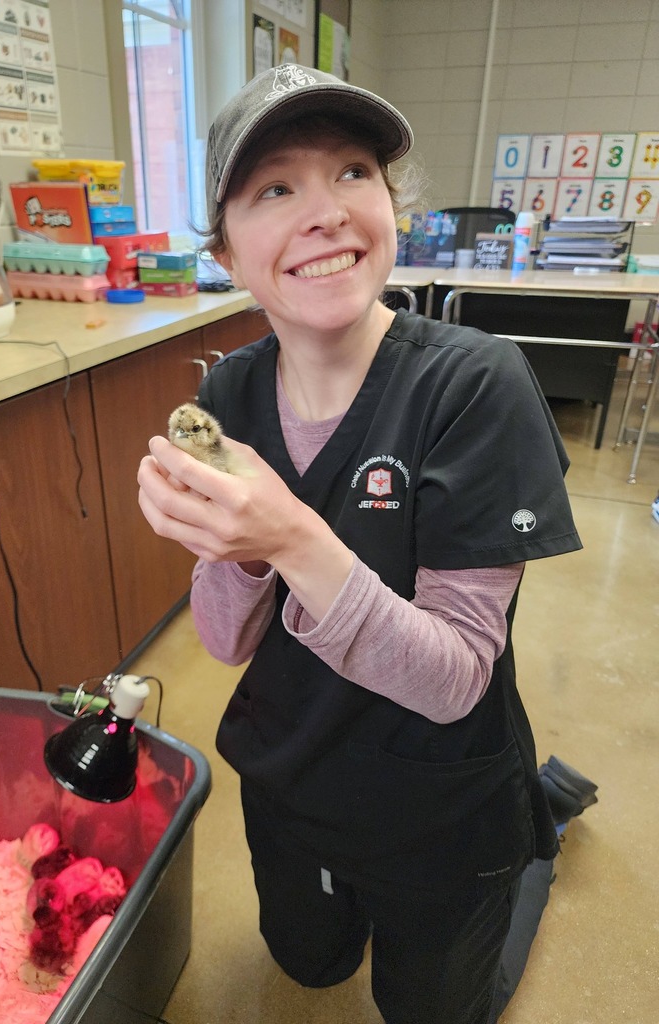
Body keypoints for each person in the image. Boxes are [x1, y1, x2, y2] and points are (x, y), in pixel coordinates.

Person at [137, 63, 594, 1024]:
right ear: (224, 249)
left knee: (430, 1009)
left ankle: (530, 834)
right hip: (292, 774)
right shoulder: (227, 398)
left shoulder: (476, 387)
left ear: (392, 204)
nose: (326, 211)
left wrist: (291, 535)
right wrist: (232, 550)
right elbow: (223, 641)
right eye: (274, 187)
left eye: (353, 171)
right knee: (308, 967)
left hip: (438, 797)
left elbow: (453, 677)